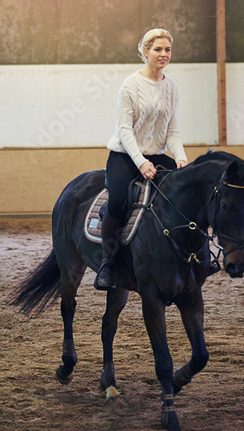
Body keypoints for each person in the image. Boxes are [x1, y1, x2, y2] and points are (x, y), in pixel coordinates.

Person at [94, 28, 188, 291]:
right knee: (119, 201)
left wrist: (180, 158)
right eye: (158, 49)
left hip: (158, 155)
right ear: (145, 52)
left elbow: (173, 130)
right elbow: (124, 130)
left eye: (167, 49)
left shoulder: (171, 88)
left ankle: (185, 256)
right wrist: (140, 162)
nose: (163, 54)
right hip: (125, 155)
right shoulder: (130, 86)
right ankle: (108, 263)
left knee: (183, 194)